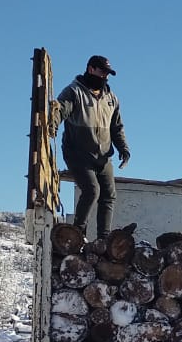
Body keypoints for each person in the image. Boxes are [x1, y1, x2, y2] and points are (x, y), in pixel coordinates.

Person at [51, 55, 130, 237]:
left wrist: (123, 148)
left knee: (108, 195)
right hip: (78, 154)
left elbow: (117, 127)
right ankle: (77, 233)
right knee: (92, 190)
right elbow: (60, 109)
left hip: (103, 156)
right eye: (102, 72)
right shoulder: (74, 91)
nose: (105, 77)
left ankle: (104, 238)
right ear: (90, 69)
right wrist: (52, 124)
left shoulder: (111, 98)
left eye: (107, 74)